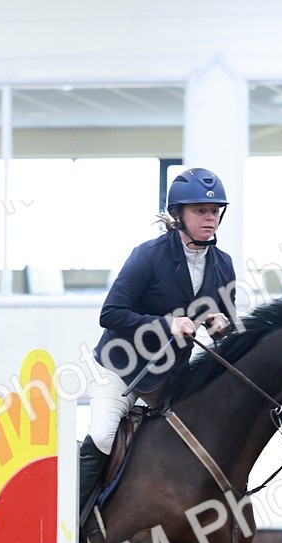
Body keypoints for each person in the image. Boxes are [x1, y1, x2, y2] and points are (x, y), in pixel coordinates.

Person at [79, 166, 237, 513]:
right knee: (104, 436)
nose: (210, 218)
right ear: (178, 215)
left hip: (169, 380)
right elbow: (110, 314)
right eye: (200, 211)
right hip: (121, 370)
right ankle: (69, 520)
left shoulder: (223, 265)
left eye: (214, 211)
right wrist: (168, 324)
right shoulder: (148, 255)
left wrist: (223, 326)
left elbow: (231, 332)